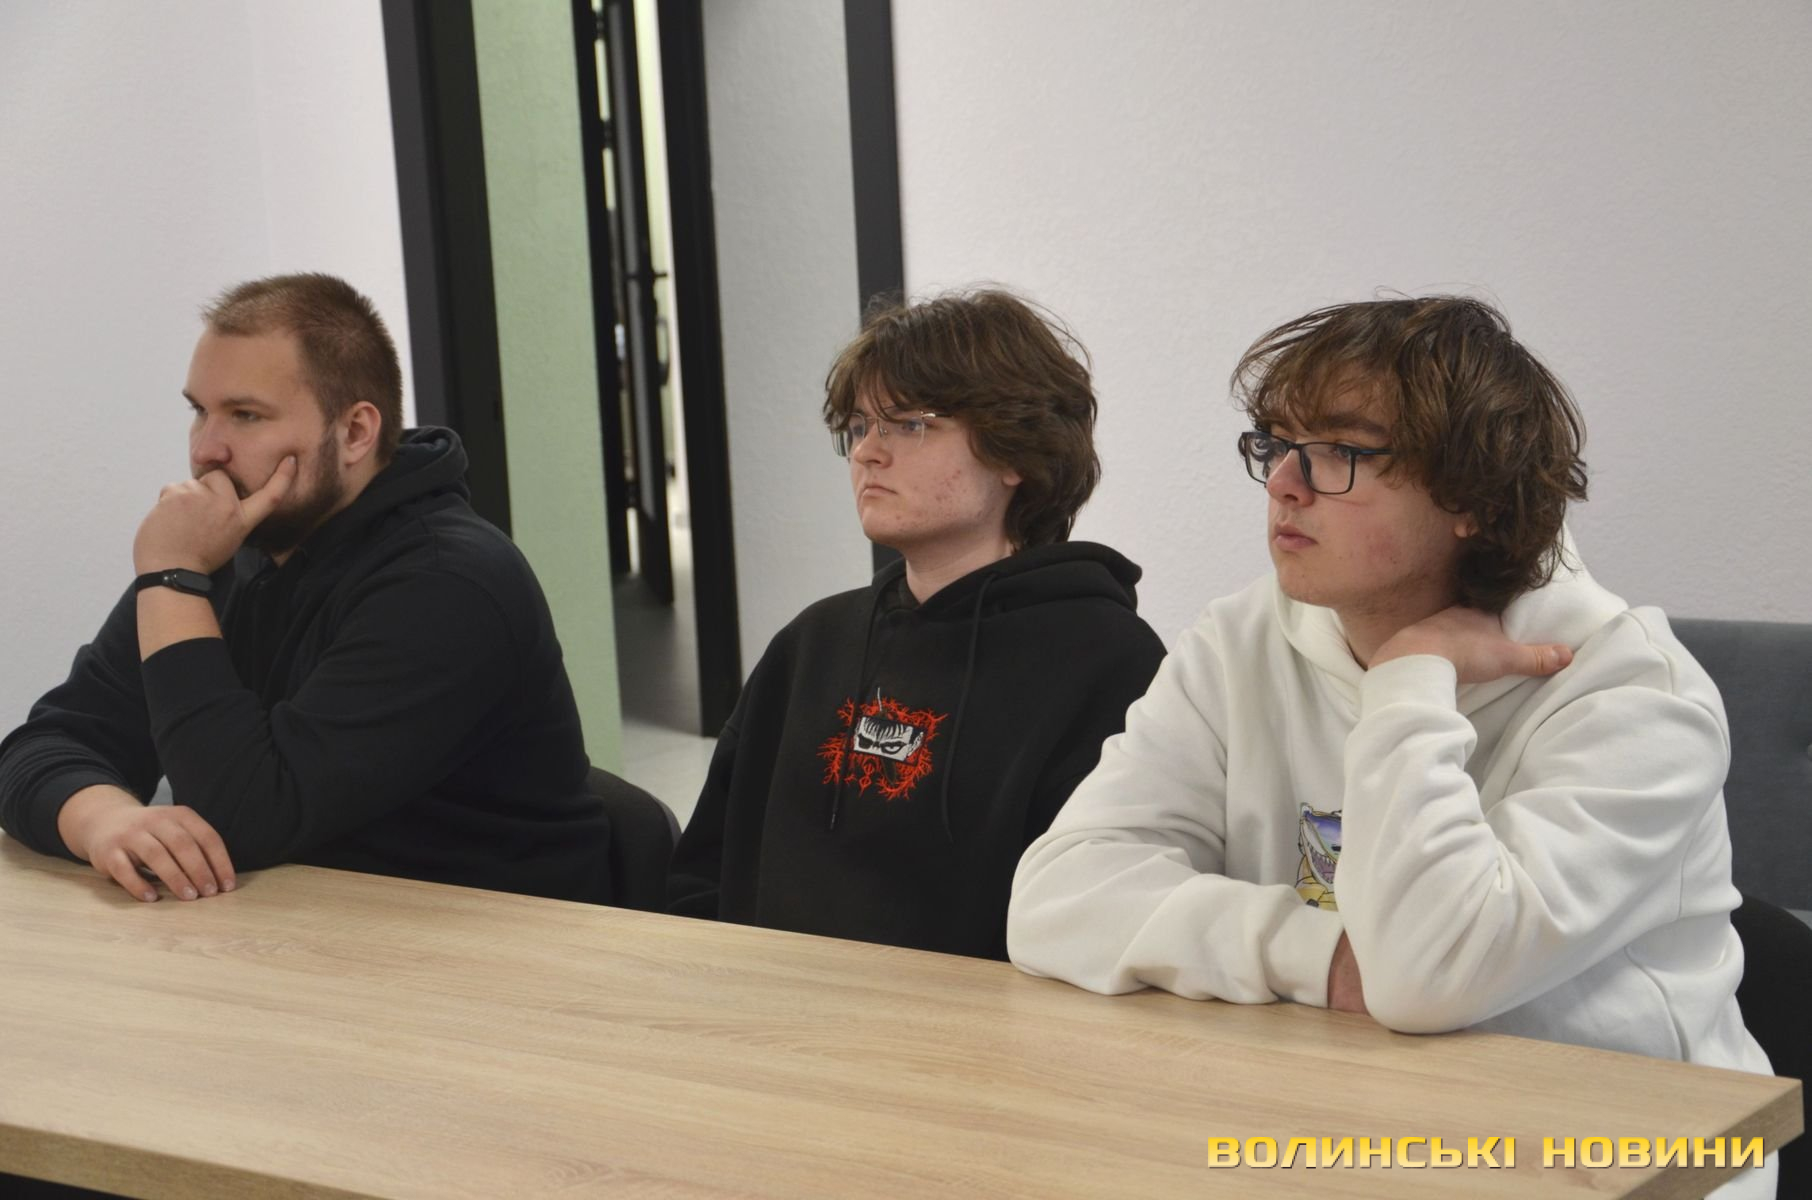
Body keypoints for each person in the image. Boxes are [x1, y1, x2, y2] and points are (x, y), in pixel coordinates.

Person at [1008, 296, 1775, 1195]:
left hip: (1621, 1156)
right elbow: (1056, 897)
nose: (1284, 483)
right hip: (1339, 1120)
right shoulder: (1242, 638)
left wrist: (1409, 684)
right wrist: (1324, 960)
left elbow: (1426, 979)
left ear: (1472, 500)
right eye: (1276, 443)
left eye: (1341, 451)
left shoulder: (1637, 695)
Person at [0, 273, 612, 904]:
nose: (206, 450)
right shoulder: (226, 549)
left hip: (492, 941)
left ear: (355, 433)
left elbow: (246, 818)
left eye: (245, 415)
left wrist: (171, 578)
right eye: (199, 411)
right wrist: (103, 819)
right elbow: (47, 743)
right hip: (295, 927)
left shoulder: (449, 581)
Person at [668, 288, 1166, 959]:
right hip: (771, 1009)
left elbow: (1100, 926)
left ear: (1015, 452)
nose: (868, 453)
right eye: (859, 426)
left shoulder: (1107, 662)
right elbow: (703, 877)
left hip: (977, 1022)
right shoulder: (813, 644)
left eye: (909, 425)